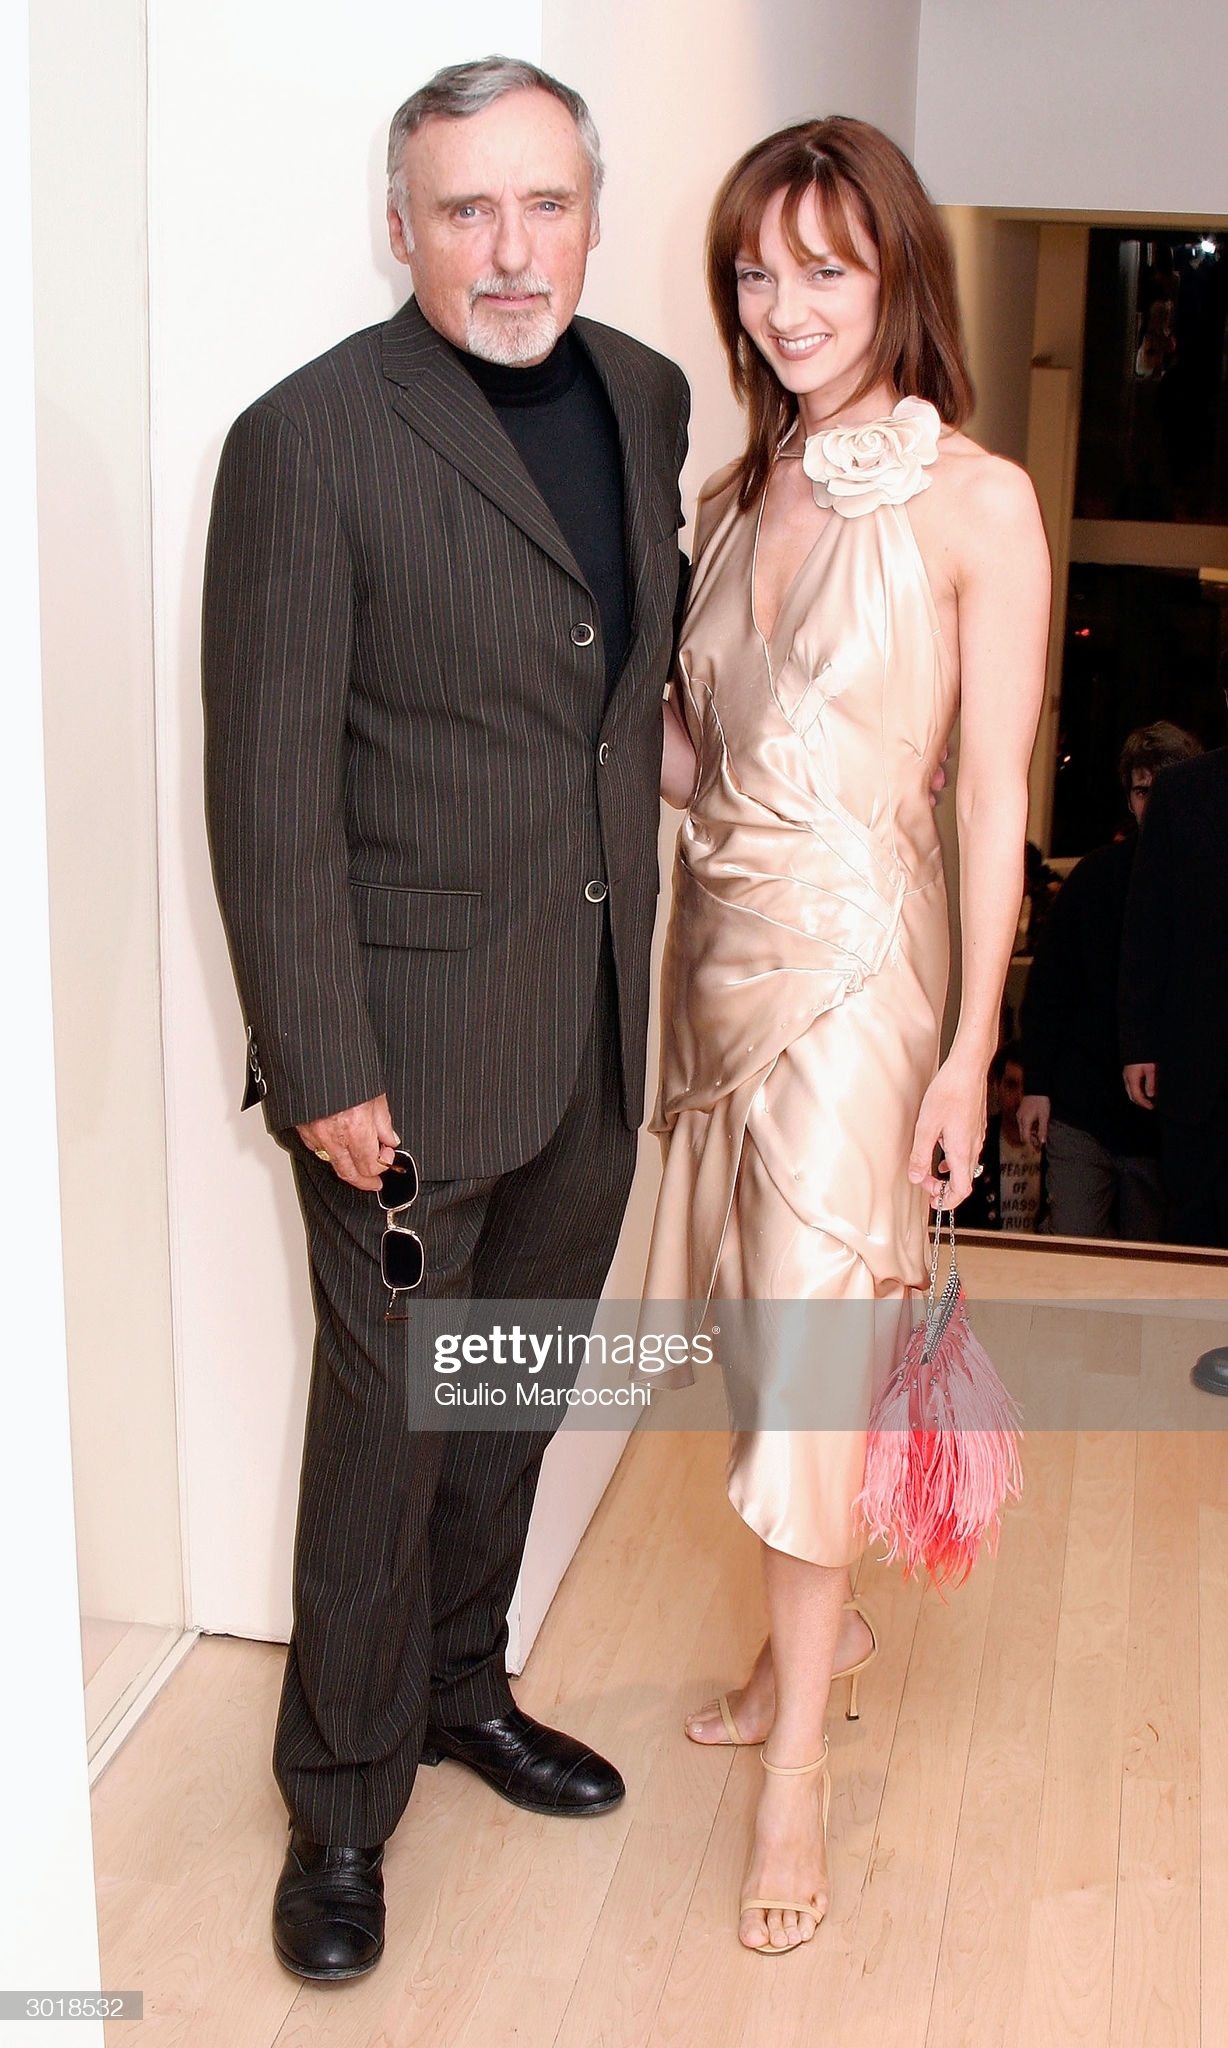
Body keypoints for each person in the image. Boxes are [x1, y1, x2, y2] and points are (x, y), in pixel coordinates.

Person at [202, 57, 690, 1982]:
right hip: (396, 1055)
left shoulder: (643, 392)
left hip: (587, 1029)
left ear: (591, 213)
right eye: (464, 208)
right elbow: (267, 787)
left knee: (505, 1396)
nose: (509, 248)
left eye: (543, 202)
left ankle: (461, 1688)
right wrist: (322, 1060)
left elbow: (616, 690)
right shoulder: (306, 439)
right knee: (385, 1431)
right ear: (396, 224)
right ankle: (337, 1802)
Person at [646, 117, 1048, 1955]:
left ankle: (795, 1770)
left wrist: (970, 1047)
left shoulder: (977, 502)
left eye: (825, 266)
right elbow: (703, 762)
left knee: (809, 1359)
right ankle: (807, 1637)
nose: (785, 305)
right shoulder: (734, 498)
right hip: (717, 962)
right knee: (757, 1337)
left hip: (867, 979)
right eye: (756, 270)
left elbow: (994, 798)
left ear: (898, 273)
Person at [1019, 721, 1201, 1239]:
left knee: (1149, 1269)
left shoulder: (1205, 880)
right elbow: (1049, 989)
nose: (1155, 804)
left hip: (1166, 1122)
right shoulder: (1095, 877)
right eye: (1143, 791)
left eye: (1167, 789)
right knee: (1071, 1257)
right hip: (1083, 1108)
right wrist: (1036, 1085)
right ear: (1129, 798)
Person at [1120, 736, 1228, 1257]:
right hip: (1198, 1061)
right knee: (1194, 1233)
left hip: (1195, 1059)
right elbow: (1148, 925)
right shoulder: (1182, 790)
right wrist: (1139, 1042)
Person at [958, 1041, 1042, 1232]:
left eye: (1028, 1087)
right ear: (996, 1086)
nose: (1020, 1098)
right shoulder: (976, 1143)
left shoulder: (1057, 1147)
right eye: (1012, 1085)